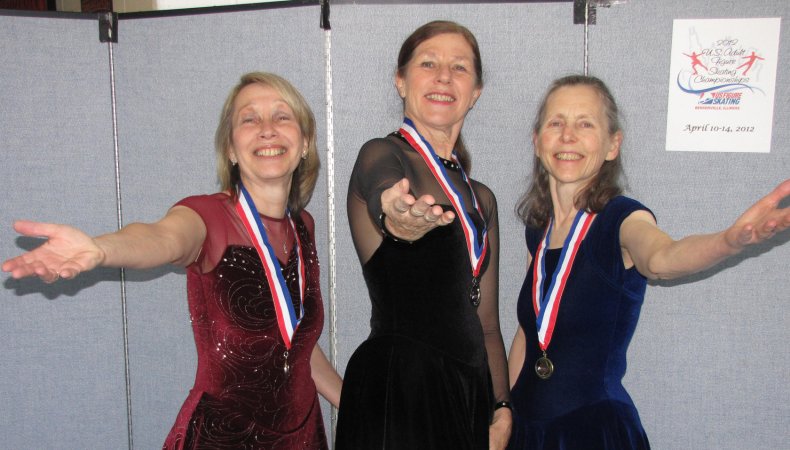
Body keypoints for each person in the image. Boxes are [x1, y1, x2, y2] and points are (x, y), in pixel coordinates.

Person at [2, 72, 342, 450]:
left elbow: (297, 346)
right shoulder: (208, 218)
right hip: (222, 439)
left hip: (303, 437)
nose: (266, 129)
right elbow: (163, 237)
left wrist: (354, 403)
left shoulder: (303, 228)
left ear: (306, 142)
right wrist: (101, 250)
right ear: (230, 149)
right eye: (249, 118)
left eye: (282, 116)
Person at [506, 74, 790, 450]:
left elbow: (661, 257)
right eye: (555, 123)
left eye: (585, 124)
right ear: (537, 140)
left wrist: (727, 241)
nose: (568, 136)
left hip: (593, 433)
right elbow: (530, 333)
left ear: (612, 145)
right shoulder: (537, 230)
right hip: (526, 431)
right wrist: (505, 412)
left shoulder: (622, 219)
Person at [335, 20, 512, 450]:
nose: (443, 77)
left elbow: (487, 323)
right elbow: (385, 196)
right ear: (401, 81)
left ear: (476, 93)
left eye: (459, 68)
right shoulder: (382, 154)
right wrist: (397, 218)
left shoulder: (481, 200)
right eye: (428, 63)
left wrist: (502, 407)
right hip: (401, 391)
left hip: (468, 394)